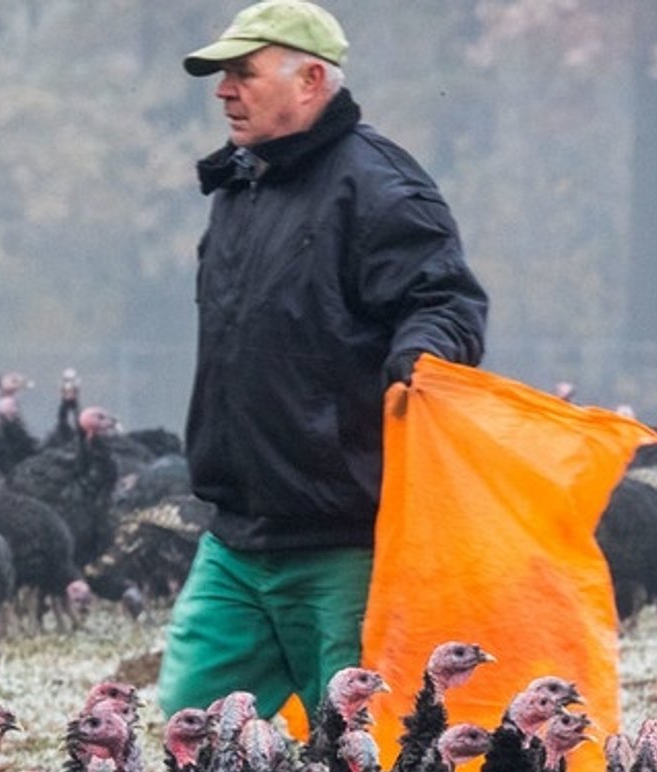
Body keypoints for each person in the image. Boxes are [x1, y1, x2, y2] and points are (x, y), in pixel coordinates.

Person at [156, 0, 488, 722]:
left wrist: (419, 360)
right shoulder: (242, 186)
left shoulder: (381, 186)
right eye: (221, 76)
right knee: (193, 728)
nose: (223, 91)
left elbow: (446, 303)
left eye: (243, 73)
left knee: (357, 756)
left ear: (310, 80)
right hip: (235, 537)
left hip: (341, 543)